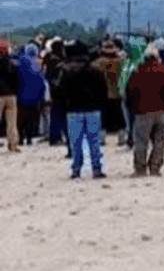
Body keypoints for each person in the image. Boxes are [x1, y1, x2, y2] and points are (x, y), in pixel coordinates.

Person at [54, 41, 108, 178]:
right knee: (94, 141)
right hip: (93, 109)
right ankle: (96, 168)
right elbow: (103, 90)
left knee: (75, 142)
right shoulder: (95, 69)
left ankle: (76, 169)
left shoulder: (65, 69)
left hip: (73, 110)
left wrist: (63, 107)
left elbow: (59, 90)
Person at [126, 44, 164, 177]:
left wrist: (133, 107)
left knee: (141, 141)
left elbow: (130, 91)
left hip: (143, 111)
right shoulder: (163, 70)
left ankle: (140, 169)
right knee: (159, 141)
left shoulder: (138, 71)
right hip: (161, 111)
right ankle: (155, 167)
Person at [93, 40, 127, 145]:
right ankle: (121, 137)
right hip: (117, 92)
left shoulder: (98, 63)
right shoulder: (121, 62)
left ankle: (102, 138)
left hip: (103, 92)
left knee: (103, 116)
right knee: (119, 115)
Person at [16, 44, 46, 146]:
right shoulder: (37, 65)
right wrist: (41, 97)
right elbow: (41, 82)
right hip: (34, 97)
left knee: (20, 118)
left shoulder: (19, 62)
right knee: (30, 118)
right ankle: (29, 138)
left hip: (21, 95)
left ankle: (20, 138)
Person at [0, 41, 20, 153]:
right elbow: (17, 80)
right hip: (11, 95)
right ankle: (13, 144)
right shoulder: (13, 63)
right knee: (12, 123)